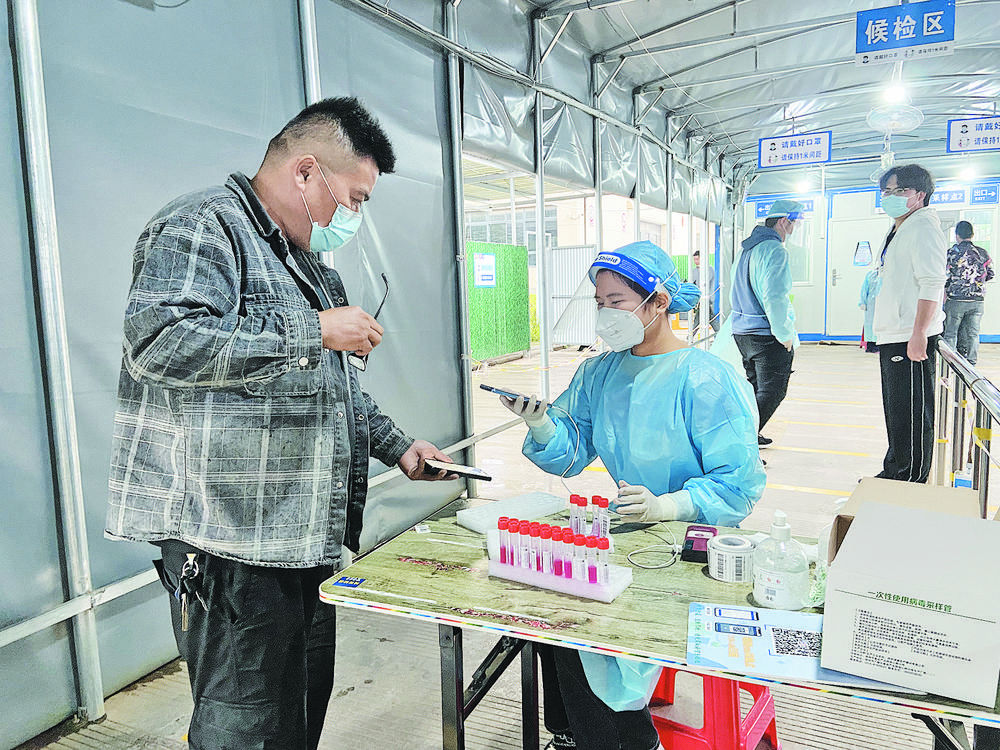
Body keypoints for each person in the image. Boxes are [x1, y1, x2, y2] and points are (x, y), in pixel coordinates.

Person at [105, 97, 456, 750]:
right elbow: (159, 342)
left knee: (296, 719)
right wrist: (311, 330)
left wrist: (400, 448)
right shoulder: (204, 227)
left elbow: (335, 393)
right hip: (231, 544)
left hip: (303, 540)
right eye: (354, 199)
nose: (353, 218)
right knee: (245, 727)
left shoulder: (308, 269)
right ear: (306, 172)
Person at [500, 241, 765, 750]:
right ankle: (573, 731)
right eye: (599, 302)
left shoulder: (706, 377)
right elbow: (572, 451)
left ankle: (626, 739)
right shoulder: (600, 373)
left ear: (658, 302)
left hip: (695, 541)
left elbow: (738, 485)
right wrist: (542, 424)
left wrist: (668, 505)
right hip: (631, 532)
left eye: (617, 301)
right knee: (552, 604)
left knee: (585, 623)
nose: (605, 314)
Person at [871, 164, 947, 483]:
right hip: (893, 333)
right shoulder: (900, 228)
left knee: (913, 413)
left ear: (920, 195)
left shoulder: (923, 228)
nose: (891, 196)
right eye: (886, 191)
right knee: (897, 410)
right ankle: (895, 469)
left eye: (900, 190)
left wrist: (919, 334)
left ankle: (911, 476)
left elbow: (932, 283)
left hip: (909, 336)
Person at [730, 198, 804, 447]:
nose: (795, 230)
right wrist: (784, 334)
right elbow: (775, 297)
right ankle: (741, 442)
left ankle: (750, 432)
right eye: (795, 224)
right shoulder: (774, 250)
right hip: (765, 335)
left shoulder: (746, 249)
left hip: (743, 333)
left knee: (754, 389)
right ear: (783, 221)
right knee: (772, 391)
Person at [943, 220, 993, 365]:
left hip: (956, 300)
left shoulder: (951, 253)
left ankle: (950, 364)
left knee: (951, 333)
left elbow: (944, 275)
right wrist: (976, 283)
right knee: (973, 334)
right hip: (977, 301)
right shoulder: (983, 253)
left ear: (956, 235)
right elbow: (990, 274)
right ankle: (971, 364)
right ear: (972, 234)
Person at [689, 249, 719, 335]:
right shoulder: (694, 271)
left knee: (704, 317)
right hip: (699, 300)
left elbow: (711, 285)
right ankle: (719, 333)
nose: (696, 261)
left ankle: (691, 335)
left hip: (707, 298)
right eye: (694, 259)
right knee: (708, 317)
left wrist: (710, 298)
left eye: (697, 259)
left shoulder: (710, 270)